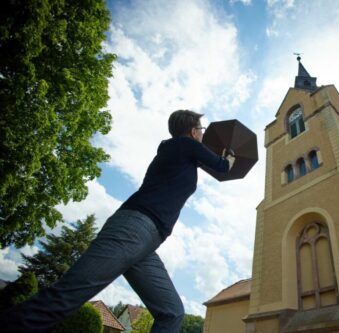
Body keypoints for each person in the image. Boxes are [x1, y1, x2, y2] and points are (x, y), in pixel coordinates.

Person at [0, 110, 235, 333]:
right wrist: (230, 156)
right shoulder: (185, 145)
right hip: (134, 228)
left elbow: (206, 163)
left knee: (172, 312)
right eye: (201, 129)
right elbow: (223, 166)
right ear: (193, 131)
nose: (202, 134)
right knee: (68, 294)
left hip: (148, 241)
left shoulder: (179, 153)